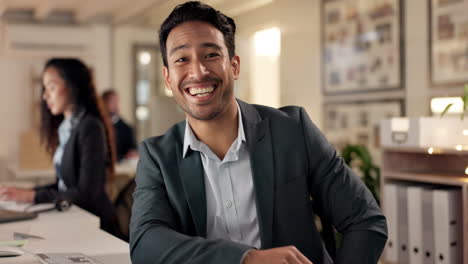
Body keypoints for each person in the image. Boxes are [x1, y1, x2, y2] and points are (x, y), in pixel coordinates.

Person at [129, 2, 388, 264]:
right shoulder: (157, 157)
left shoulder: (293, 130)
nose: (198, 72)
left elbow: (365, 220)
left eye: (211, 55)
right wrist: (245, 259)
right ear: (168, 78)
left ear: (235, 66)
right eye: (182, 59)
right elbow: (146, 242)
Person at [0, 58, 118, 234]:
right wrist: (27, 193)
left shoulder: (90, 126)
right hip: (76, 218)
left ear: (72, 86)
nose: (45, 95)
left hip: (96, 224)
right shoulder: (67, 127)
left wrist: (33, 196)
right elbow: (64, 186)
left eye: (51, 87)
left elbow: (87, 192)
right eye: (45, 88)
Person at [101, 89, 138, 162]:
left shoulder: (126, 128)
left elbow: (132, 150)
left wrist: (132, 153)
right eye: (111, 102)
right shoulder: (96, 126)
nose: (115, 105)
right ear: (103, 103)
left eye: (116, 101)